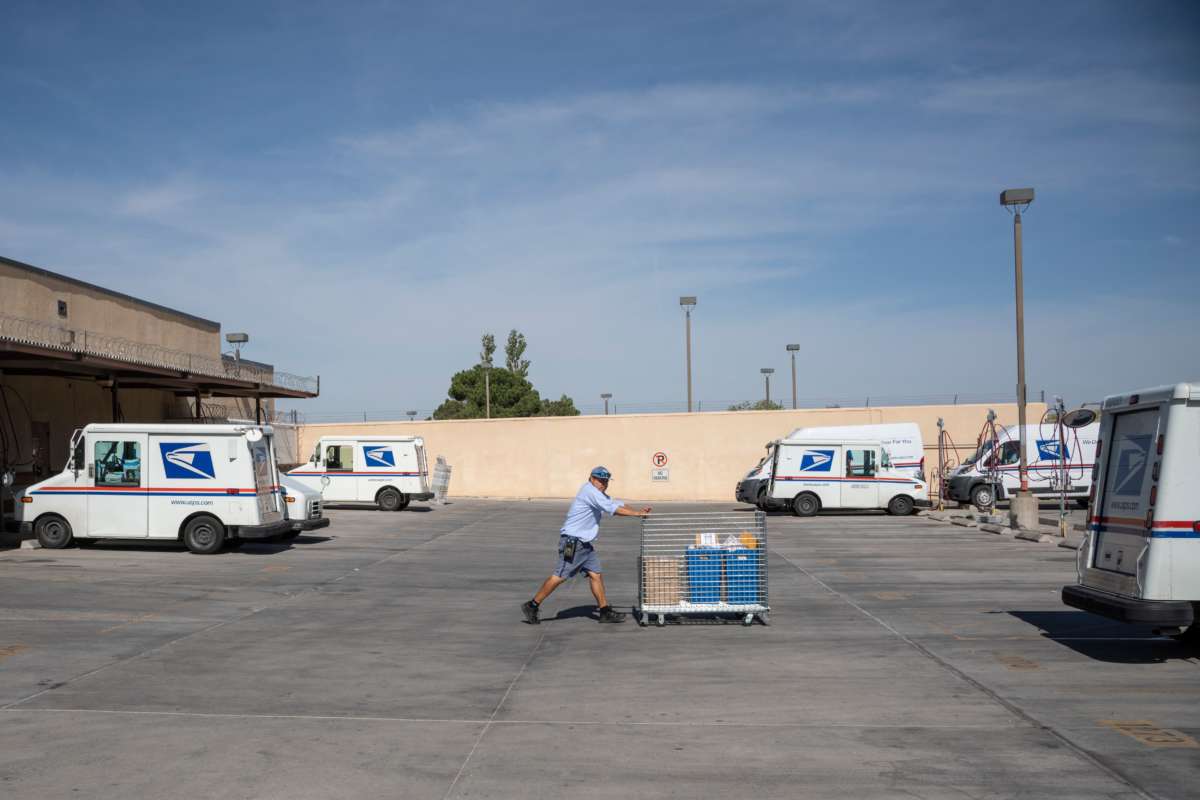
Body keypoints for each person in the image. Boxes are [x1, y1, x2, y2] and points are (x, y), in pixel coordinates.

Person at [521, 466, 651, 624]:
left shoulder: (597, 493)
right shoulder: (590, 492)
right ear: (591, 478)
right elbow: (613, 509)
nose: (604, 483)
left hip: (584, 544)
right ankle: (532, 605)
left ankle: (604, 612)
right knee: (560, 576)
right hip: (573, 542)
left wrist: (638, 510)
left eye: (606, 481)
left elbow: (617, 503)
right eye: (600, 480)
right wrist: (637, 514)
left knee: (595, 574)